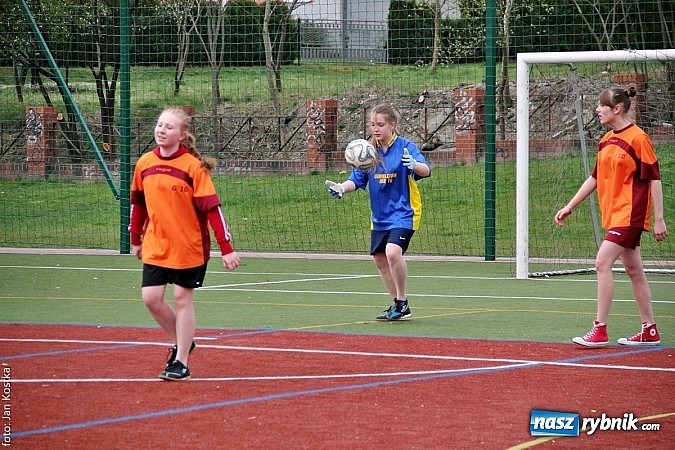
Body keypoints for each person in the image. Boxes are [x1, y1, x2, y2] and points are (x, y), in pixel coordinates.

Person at [129, 107, 240, 380]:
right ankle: (184, 341)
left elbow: (213, 210)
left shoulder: (192, 167)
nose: (161, 130)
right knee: (151, 299)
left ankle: (181, 361)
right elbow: (138, 205)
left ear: (181, 135)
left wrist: (226, 248)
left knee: (181, 298)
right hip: (156, 245)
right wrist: (135, 238)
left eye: (169, 127)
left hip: (189, 248)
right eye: (159, 125)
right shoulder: (144, 163)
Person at [555, 86, 668, 347]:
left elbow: (654, 179)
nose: (597, 110)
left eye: (601, 105)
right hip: (615, 215)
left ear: (616, 109)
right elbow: (595, 178)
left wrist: (659, 218)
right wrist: (570, 206)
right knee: (634, 270)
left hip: (630, 214)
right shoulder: (605, 140)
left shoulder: (639, 138)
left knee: (602, 262)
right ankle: (649, 329)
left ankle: (600, 329)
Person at [326, 104, 431, 321]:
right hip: (380, 216)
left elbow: (426, 170)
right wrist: (341, 187)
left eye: (380, 124)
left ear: (392, 125)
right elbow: (357, 180)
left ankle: (402, 300)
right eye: (373, 124)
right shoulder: (367, 152)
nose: (376, 128)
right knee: (380, 258)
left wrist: (414, 164)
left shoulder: (405, 147)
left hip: (404, 212)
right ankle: (398, 305)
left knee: (392, 252)